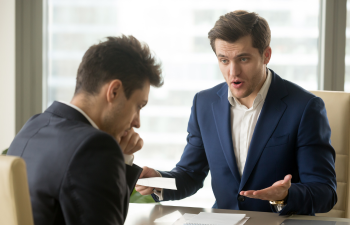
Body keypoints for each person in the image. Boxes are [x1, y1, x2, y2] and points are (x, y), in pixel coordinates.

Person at [136, 10, 337, 215]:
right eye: (224, 60)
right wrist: (158, 181)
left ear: (266, 55)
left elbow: (325, 191)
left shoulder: (305, 108)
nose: (233, 72)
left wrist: (285, 196)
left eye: (243, 59)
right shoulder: (204, 104)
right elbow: (190, 174)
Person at [8, 35, 163, 225]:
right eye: (138, 106)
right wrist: (117, 157)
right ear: (113, 91)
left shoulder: (34, 125)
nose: (137, 122)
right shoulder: (94, 147)